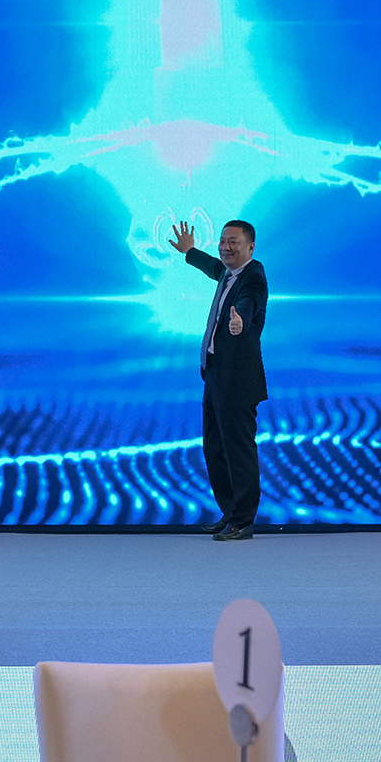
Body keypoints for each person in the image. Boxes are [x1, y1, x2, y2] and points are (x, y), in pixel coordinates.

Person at [168, 218, 268, 542]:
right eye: (223, 241)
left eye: (233, 242)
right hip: (215, 375)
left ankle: (243, 521)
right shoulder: (227, 272)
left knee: (238, 450)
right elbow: (212, 266)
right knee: (215, 448)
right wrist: (190, 251)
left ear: (250, 247)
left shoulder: (253, 276)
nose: (226, 247)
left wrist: (241, 321)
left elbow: (248, 301)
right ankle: (231, 512)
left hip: (238, 380)